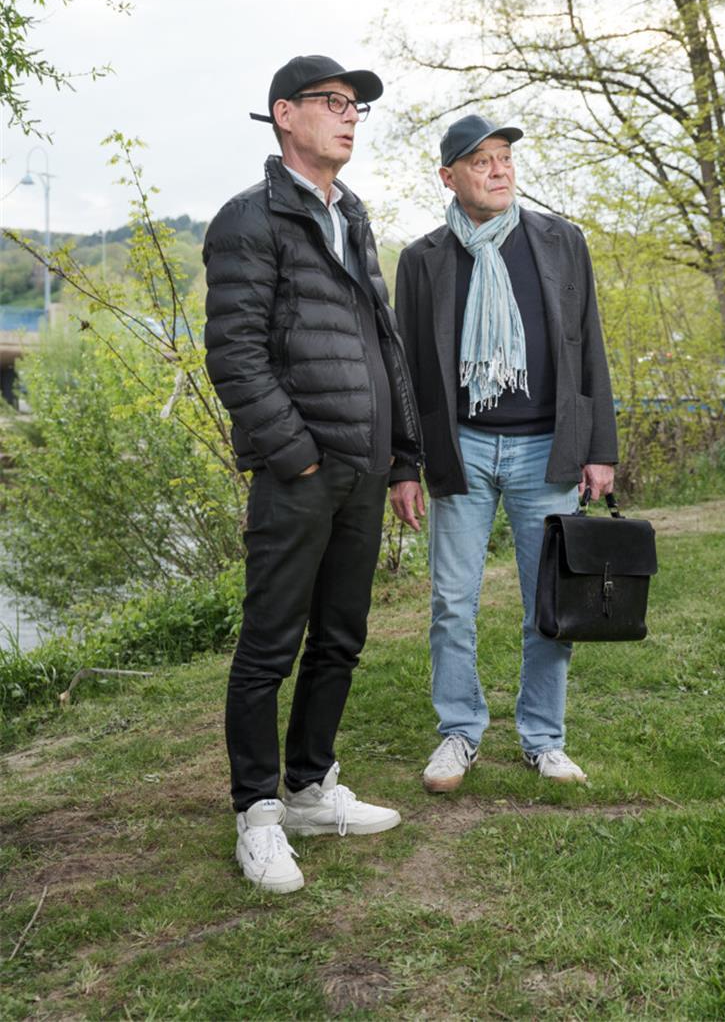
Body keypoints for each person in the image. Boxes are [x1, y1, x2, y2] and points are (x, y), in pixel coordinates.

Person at [203, 55, 422, 892]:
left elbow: (382, 343)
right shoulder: (249, 220)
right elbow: (235, 352)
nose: (351, 115)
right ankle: (256, 813)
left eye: (357, 105)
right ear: (283, 114)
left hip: (365, 470)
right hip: (300, 470)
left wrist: (403, 457)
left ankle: (307, 786)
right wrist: (293, 452)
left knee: (340, 637)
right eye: (334, 102)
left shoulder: (351, 214)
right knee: (269, 644)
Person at [389, 114, 617, 793]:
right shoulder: (423, 259)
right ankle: (459, 733)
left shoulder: (560, 241)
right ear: (448, 176)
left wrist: (598, 447)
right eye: (480, 160)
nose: (498, 169)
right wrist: (404, 464)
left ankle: (544, 736)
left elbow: (590, 347)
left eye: (504, 158)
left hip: (546, 447)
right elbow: (406, 375)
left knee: (550, 599)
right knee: (451, 602)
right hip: (458, 447)